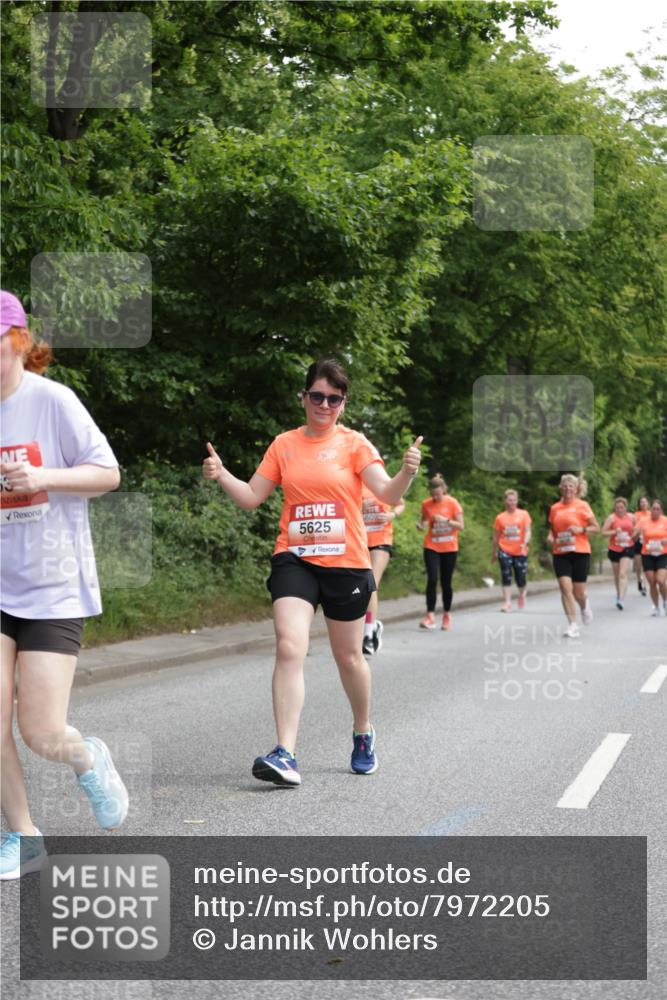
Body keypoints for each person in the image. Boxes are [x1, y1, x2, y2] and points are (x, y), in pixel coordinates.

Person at [202, 358, 421, 786]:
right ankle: (285, 752)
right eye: (317, 396)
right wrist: (222, 473)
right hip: (295, 559)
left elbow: (386, 492)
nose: (324, 404)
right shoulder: (284, 445)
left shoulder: (355, 444)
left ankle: (362, 731)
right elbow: (251, 497)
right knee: (289, 646)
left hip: (346, 564)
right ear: (303, 397)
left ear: (343, 403)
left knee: (349, 658)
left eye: (333, 398)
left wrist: (407, 473)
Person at [0, 290, 128, 880]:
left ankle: (85, 756)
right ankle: (23, 836)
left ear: (19, 342)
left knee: (42, 731)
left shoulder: (54, 401)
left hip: (52, 584)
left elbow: (108, 473)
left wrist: (43, 474)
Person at [546, 473, 600, 639]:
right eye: (565, 486)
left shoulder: (583, 506)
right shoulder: (555, 508)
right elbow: (553, 528)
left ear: (576, 489)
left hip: (580, 552)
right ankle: (572, 625)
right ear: (561, 488)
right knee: (564, 587)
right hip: (561, 552)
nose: (568, 488)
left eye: (571, 486)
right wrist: (550, 536)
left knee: (579, 593)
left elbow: (596, 527)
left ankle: (584, 606)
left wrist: (581, 530)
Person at [360, 487, 405, 656]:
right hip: (361, 541)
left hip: (381, 540)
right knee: (361, 587)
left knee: (371, 583)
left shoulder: (384, 486)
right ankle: (370, 626)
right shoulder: (357, 487)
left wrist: (392, 515)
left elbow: (400, 504)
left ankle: (368, 634)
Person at [417, 475, 464, 630]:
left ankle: (446, 615)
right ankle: (430, 615)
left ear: (444, 490)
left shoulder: (453, 503)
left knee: (446, 583)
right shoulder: (426, 504)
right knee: (432, 578)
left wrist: (446, 520)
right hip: (431, 546)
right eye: (433, 494)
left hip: (449, 548)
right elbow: (424, 520)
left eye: (438, 494)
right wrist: (421, 525)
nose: (436, 497)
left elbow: (461, 526)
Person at [491, 489, 532, 612]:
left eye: (514, 500)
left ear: (517, 501)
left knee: (520, 577)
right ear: (505, 501)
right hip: (504, 549)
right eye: (509, 500)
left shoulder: (524, 514)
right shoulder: (500, 518)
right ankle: (507, 602)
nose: (512, 502)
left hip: (520, 550)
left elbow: (528, 531)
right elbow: (496, 536)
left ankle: (521, 594)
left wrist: (525, 542)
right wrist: (494, 552)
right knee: (506, 575)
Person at [634, 498, 667, 617]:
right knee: (652, 582)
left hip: (662, 554)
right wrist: (637, 534)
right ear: (650, 510)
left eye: (658, 509)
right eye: (654, 509)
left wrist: (666, 540)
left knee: (661, 580)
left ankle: (665, 601)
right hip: (647, 554)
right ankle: (656, 607)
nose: (656, 511)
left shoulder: (665, 521)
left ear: (661, 511)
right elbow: (633, 537)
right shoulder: (643, 521)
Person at [601, 498, 636, 609]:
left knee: (622, 574)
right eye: (617, 508)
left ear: (626, 507)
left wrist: (634, 537)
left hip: (627, 547)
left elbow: (637, 529)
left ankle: (621, 599)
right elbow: (603, 533)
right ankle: (619, 594)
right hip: (614, 548)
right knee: (617, 576)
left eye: (621, 507)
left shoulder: (631, 517)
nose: (619, 509)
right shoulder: (611, 518)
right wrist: (614, 531)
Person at [633, 496, 650, 596]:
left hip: (648, 542)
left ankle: (644, 586)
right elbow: (635, 528)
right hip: (638, 541)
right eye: (641, 502)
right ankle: (639, 580)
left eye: (645, 502)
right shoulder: (636, 515)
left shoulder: (651, 514)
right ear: (639, 504)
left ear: (648, 503)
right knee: (638, 566)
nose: (643, 504)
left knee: (646, 565)